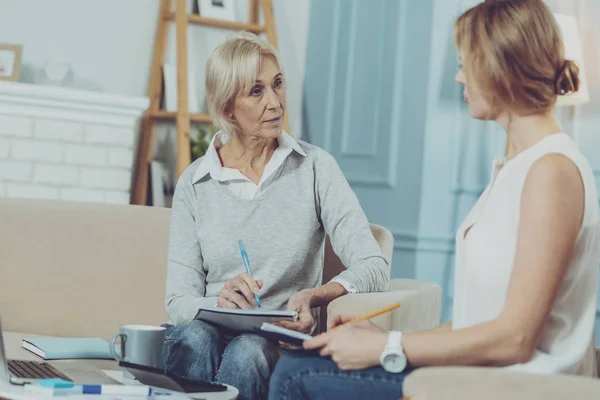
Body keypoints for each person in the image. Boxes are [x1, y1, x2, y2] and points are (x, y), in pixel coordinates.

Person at [268, 1, 600, 398]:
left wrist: (388, 347)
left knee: (296, 374)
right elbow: (476, 322)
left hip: (519, 387)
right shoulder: (517, 168)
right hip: (484, 375)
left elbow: (516, 338)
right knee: (301, 362)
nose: (460, 77)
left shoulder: (551, 171)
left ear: (498, 68)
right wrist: (385, 337)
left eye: (465, 63)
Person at [160, 32, 390, 400]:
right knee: (194, 336)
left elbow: (374, 266)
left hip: (274, 341)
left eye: (278, 84)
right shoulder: (195, 183)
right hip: (206, 333)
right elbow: (179, 300)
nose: (275, 102)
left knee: (248, 349)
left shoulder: (315, 168)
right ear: (228, 107)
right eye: (256, 91)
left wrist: (316, 295)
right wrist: (218, 304)